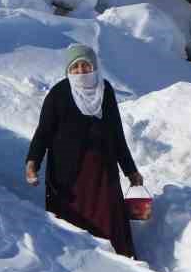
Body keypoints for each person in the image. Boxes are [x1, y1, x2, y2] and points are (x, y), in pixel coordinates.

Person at [24, 43, 143, 258]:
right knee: (74, 220)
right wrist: (33, 162)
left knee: (108, 215)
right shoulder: (59, 93)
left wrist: (130, 170)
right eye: (75, 67)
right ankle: (81, 263)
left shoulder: (104, 91)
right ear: (68, 70)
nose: (81, 71)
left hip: (103, 171)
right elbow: (44, 132)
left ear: (94, 67)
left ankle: (121, 260)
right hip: (68, 173)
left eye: (85, 66)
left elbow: (116, 133)